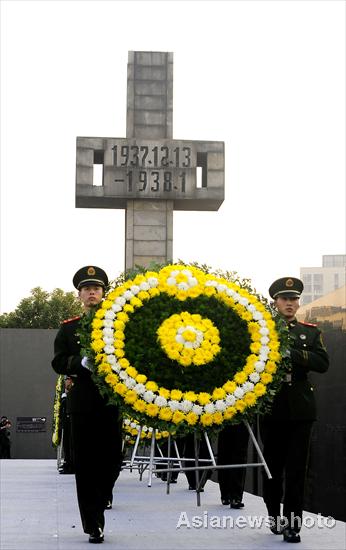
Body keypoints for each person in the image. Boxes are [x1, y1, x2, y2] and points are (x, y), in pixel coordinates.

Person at [52, 266, 123, 544]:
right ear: (80, 295)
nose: (91, 293)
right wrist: (79, 363)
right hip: (82, 404)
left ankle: (104, 494)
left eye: (96, 289)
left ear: (103, 293)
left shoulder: (117, 323)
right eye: (86, 289)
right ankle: (94, 524)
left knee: (112, 461)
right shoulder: (68, 328)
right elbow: (58, 361)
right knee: (85, 465)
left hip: (110, 402)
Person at [261, 277, 329, 543]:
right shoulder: (263, 331)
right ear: (275, 302)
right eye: (285, 299)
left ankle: (292, 525)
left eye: (294, 299)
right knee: (273, 468)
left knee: (298, 470)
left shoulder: (309, 332)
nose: (290, 304)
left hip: (301, 408)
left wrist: (292, 353)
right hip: (272, 407)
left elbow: (322, 363)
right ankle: (273, 515)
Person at [217, 422, 249, 508]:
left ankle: (236, 497)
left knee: (240, 456)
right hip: (224, 418)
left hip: (241, 418)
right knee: (224, 455)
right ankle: (225, 494)